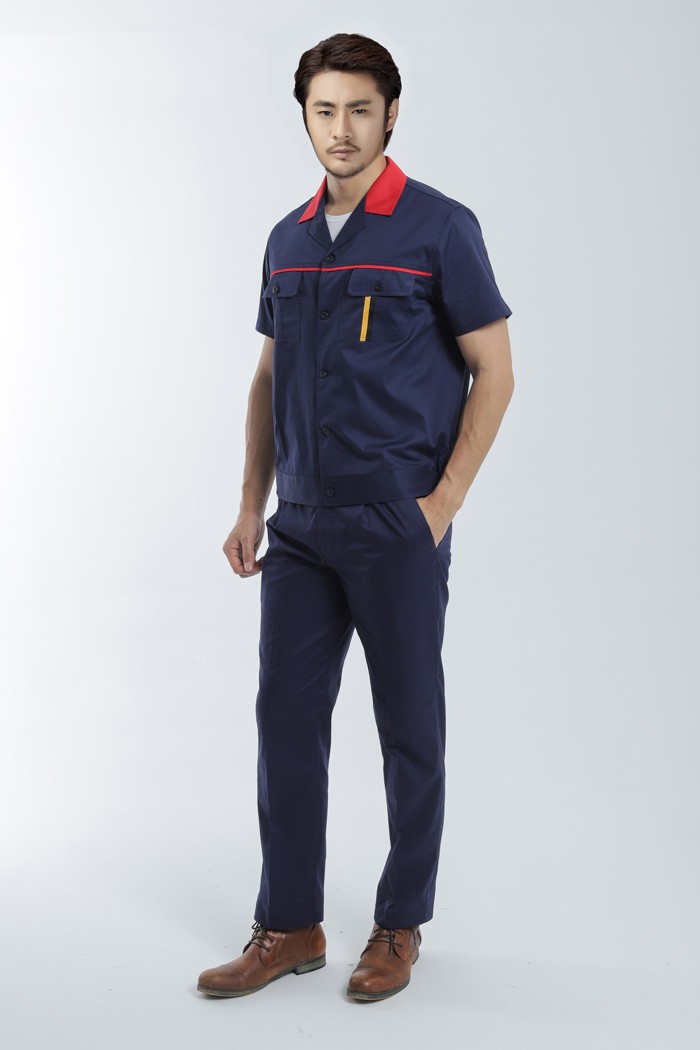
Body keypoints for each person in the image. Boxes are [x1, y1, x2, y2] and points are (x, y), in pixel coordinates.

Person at [197, 31, 514, 1003]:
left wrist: (440, 506)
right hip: (300, 525)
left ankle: (399, 923)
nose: (341, 128)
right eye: (325, 109)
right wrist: (251, 503)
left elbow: (495, 372)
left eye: (360, 109)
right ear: (305, 115)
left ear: (391, 114)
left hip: (394, 522)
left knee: (408, 727)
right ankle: (289, 923)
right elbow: (267, 378)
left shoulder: (439, 228)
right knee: (285, 722)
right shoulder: (286, 240)